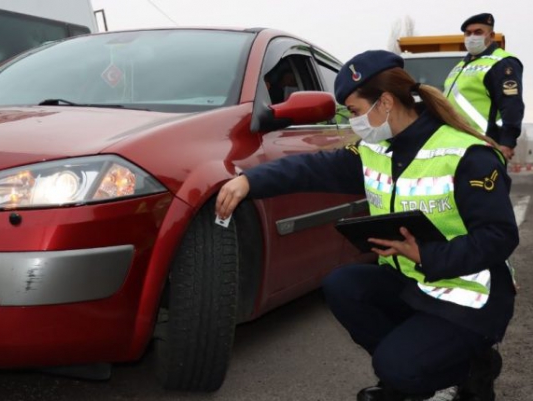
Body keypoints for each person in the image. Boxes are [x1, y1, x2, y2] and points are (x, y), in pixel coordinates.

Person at [215, 50, 519, 401]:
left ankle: (472, 366)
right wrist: (249, 182)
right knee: (343, 285)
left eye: (356, 111)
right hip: (415, 281)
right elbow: (311, 168)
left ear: (385, 103)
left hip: (471, 295)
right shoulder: (377, 150)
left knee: (397, 368)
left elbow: (499, 237)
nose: (354, 121)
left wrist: (427, 254)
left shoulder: (468, 154)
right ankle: (415, 365)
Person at [444, 13, 525, 161]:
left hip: (485, 145)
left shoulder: (502, 63)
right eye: (468, 33)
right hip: (455, 144)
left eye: (478, 32)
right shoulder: (461, 65)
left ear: (491, 35)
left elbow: (511, 104)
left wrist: (507, 142)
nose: (472, 37)